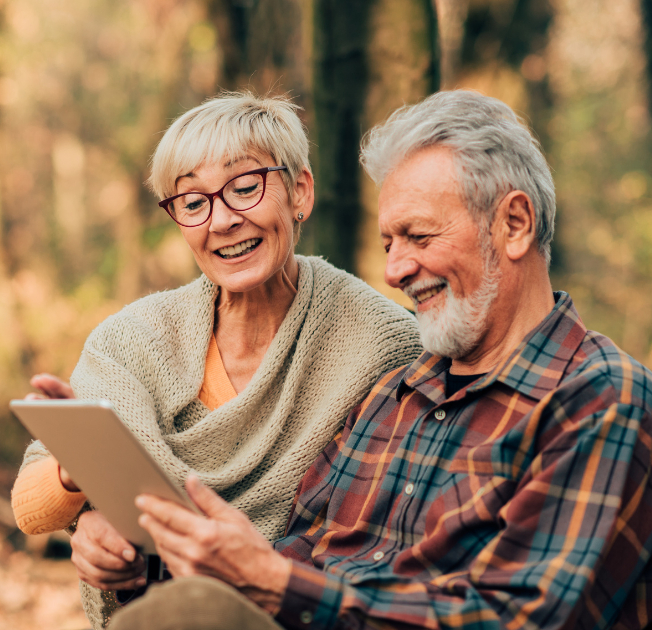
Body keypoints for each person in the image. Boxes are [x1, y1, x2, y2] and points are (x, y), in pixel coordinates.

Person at [108, 89, 652, 630]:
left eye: (418, 236)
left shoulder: (599, 399)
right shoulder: (393, 395)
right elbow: (291, 558)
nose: (395, 271)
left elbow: (522, 618)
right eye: (389, 242)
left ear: (513, 225)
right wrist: (138, 561)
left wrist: (274, 583)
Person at [10, 92, 423, 630]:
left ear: (300, 191)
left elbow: (383, 532)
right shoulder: (133, 338)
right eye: (193, 202)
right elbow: (30, 506)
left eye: (245, 188)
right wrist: (84, 485)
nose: (222, 220)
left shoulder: (382, 341)